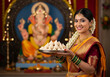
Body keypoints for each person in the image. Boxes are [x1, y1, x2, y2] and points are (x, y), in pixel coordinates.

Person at [55, 8, 106, 77]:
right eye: (76, 21)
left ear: (90, 23)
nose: (78, 24)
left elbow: (91, 70)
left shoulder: (92, 43)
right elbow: (69, 68)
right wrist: (59, 57)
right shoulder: (73, 41)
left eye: (82, 21)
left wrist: (73, 56)